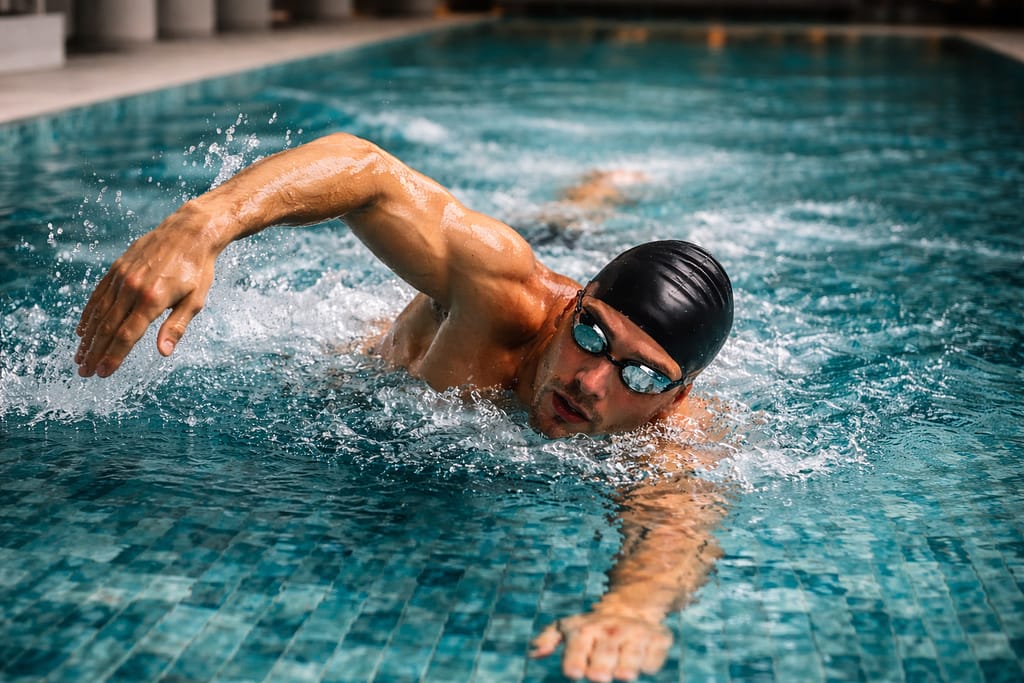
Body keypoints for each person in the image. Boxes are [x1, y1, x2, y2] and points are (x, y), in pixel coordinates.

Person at [74, 132, 733, 682]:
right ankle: (592, 190)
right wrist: (204, 222)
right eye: (589, 332)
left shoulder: (674, 434)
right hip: (378, 358)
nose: (592, 381)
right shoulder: (501, 293)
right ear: (573, 303)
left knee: (564, 227)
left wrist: (634, 607)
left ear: (675, 396)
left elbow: (674, 525)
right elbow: (367, 172)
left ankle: (598, 194)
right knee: (548, 230)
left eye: (641, 377)